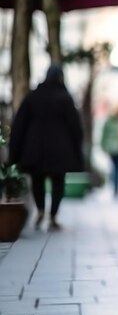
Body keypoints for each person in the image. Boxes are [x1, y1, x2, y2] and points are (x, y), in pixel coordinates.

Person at [9, 63, 84, 231]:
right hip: (60, 148)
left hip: (35, 147)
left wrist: (16, 151)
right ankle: (53, 216)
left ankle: (41, 210)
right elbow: (75, 127)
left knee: (37, 180)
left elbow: (20, 124)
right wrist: (77, 146)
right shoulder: (65, 97)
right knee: (58, 182)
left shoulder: (33, 96)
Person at [100, 104, 118, 198]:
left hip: (112, 148)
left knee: (114, 167)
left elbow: (104, 134)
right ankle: (116, 187)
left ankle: (114, 185)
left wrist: (103, 145)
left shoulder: (109, 120)